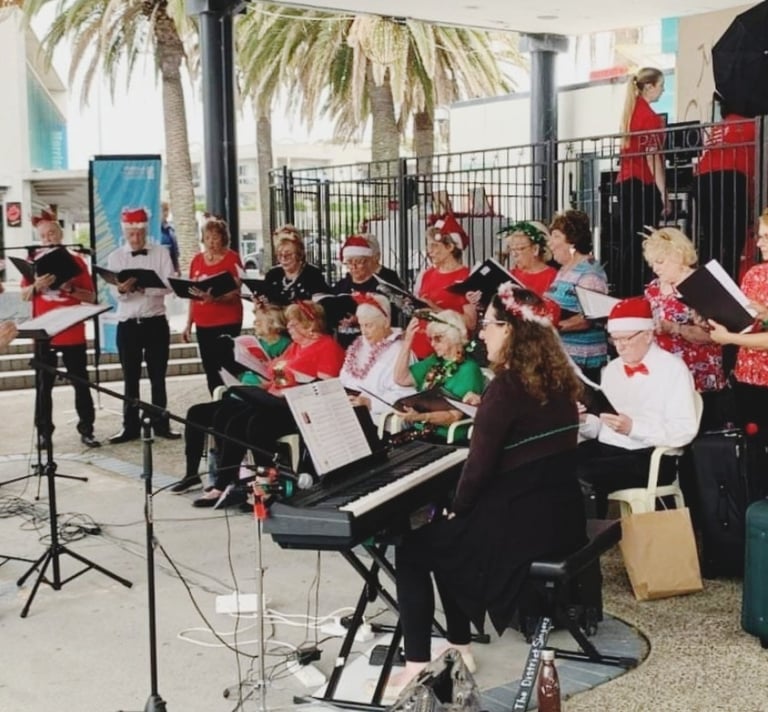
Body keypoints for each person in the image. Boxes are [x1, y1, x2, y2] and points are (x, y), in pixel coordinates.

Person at [382, 285, 586, 700]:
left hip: (521, 525)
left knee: (415, 547)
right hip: (559, 514)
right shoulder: (558, 380)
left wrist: (458, 507)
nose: (482, 336)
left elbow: (477, 468)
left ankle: (418, 664)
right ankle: (459, 644)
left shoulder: (507, 387)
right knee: (446, 535)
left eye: (490, 326)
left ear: (511, 330)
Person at [192, 301, 345, 508]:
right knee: (232, 418)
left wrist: (294, 387)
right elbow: (276, 371)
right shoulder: (296, 346)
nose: (288, 326)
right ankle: (225, 481)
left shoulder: (327, 347)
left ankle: (265, 485)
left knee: (256, 424)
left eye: (293, 323)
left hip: (300, 407)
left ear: (311, 324)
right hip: (275, 399)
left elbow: (326, 386)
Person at [577, 296, 700, 517]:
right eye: (615, 340)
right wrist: (584, 421)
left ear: (648, 335)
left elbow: (684, 431)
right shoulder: (613, 369)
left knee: (581, 474)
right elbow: (602, 428)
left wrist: (634, 428)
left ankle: (591, 544)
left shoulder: (672, 369)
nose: (620, 347)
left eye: (626, 339)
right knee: (553, 462)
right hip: (609, 450)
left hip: (649, 456)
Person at [169, 303, 291, 494]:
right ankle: (191, 474)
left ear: (273, 324)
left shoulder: (285, 345)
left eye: (260, 321)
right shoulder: (252, 342)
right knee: (196, 412)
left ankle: (226, 476)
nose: (256, 324)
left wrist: (263, 379)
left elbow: (281, 378)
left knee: (225, 418)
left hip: (258, 397)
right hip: (239, 391)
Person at [21, 210, 100, 448]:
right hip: (44, 333)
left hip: (72, 331)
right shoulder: (32, 262)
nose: (48, 238)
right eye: (43, 235)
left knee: (81, 383)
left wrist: (70, 289)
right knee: (44, 387)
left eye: (52, 233)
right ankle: (44, 433)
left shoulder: (76, 260)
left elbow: (92, 297)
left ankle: (87, 428)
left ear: (61, 234)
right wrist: (36, 285)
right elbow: (24, 296)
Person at [107, 207, 180, 443]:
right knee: (130, 377)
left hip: (155, 321)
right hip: (128, 323)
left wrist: (146, 288)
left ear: (146, 231)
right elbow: (113, 290)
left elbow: (170, 285)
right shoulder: (116, 256)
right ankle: (129, 426)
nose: (136, 238)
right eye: (131, 235)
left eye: (139, 234)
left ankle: (161, 423)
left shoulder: (161, 253)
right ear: (125, 234)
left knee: (158, 377)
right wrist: (122, 289)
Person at [642, 226, 725, 427]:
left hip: (698, 373)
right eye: (652, 263)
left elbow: (715, 334)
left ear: (678, 255)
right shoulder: (654, 288)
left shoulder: (701, 284)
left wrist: (675, 329)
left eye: (660, 262)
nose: (655, 268)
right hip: (664, 372)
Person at [708, 208, 768, 433]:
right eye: (759, 236)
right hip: (747, 376)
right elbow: (743, 321)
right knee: (751, 450)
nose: (759, 243)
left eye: (766, 237)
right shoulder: (755, 274)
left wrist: (728, 337)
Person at [393, 309, 485, 443]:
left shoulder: (468, 369)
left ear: (453, 337)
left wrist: (420, 417)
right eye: (431, 339)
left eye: (438, 339)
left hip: (446, 438)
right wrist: (407, 342)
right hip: (420, 433)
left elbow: (454, 416)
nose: (432, 344)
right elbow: (400, 378)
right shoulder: (434, 360)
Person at [616, 67, 668, 296]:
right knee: (645, 240)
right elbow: (652, 157)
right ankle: (639, 290)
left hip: (626, 181)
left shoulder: (631, 113)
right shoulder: (649, 117)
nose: (662, 91)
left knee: (629, 239)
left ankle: (625, 289)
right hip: (642, 184)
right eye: (660, 86)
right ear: (649, 86)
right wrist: (664, 193)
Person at [694, 94, 756, 279]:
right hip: (730, 180)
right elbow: (753, 166)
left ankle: (706, 287)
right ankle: (730, 289)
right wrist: (752, 203)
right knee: (733, 242)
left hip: (704, 180)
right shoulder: (752, 125)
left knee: (711, 240)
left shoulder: (718, 127)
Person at [182, 215, 244, 394]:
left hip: (227, 320)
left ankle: (231, 401)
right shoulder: (197, 260)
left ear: (223, 238)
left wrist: (215, 298)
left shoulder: (232, 258)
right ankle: (215, 401)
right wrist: (188, 324)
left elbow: (236, 291)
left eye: (215, 237)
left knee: (227, 364)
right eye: (207, 237)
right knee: (209, 367)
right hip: (203, 323)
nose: (211, 242)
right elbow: (193, 295)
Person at [545, 210, 608, 382]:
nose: (550, 243)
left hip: (581, 363)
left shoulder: (589, 273)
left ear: (572, 240)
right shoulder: (564, 270)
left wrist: (553, 327)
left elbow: (588, 317)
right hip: (563, 357)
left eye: (556, 236)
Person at [340, 293, 415, 419]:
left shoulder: (401, 351)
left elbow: (407, 395)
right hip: (348, 412)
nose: (364, 332)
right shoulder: (358, 346)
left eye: (369, 325)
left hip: (378, 419)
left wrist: (370, 403)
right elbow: (344, 379)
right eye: (361, 325)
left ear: (386, 323)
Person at [411, 214, 475, 358]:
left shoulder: (466, 277)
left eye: (434, 246)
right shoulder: (426, 274)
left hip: (446, 353)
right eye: (428, 246)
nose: (429, 251)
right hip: (419, 348)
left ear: (451, 247)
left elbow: (470, 323)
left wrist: (436, 309)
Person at [262, 225, 330, 305]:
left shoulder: (313, 275)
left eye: (289, 254)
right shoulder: (272, 275)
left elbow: (321, 308)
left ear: (299, 254)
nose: (283, 258)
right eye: (279, 254)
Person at [498, 220, 557, 295]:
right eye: (512, 249)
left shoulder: (552, 276)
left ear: (535, 249)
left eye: (520, 248)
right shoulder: (511, 274)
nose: (514, 254)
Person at [160, 201, 181, 276]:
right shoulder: (153, 231)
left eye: (167, 210)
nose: (165, 213)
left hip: (170, 268)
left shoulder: (170, 229)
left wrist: (177, 267)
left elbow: (175, 251)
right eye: (163, 210)